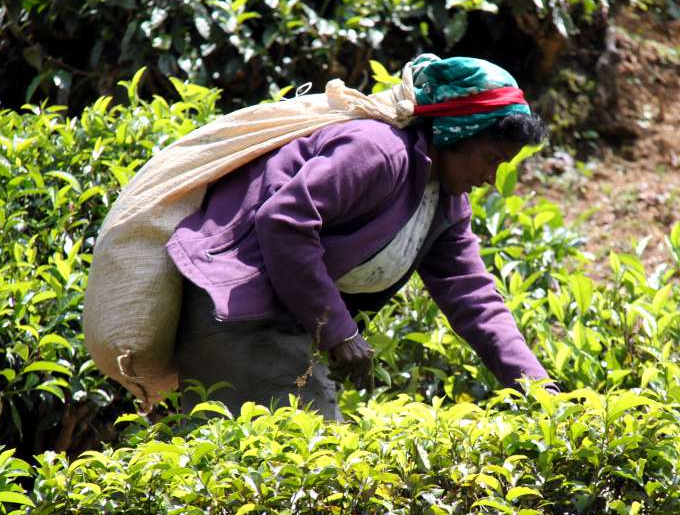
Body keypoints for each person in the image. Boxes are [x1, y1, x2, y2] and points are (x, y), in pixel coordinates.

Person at [166, 54, 559, 419]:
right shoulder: (378, 152)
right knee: (310, 459)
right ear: (457, 132)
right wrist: (339, 331)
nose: (491, 178)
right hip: (236, 304)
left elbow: (473, 296)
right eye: (491, 159)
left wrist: (539, 390)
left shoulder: (446, 205)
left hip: (281, 318)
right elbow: (284, 220)